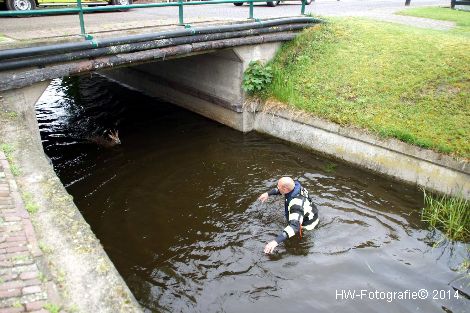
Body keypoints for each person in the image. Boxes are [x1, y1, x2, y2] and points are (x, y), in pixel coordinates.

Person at [258, 177, 319, 254]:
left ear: (285, 189)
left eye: (278, 187)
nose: (277, 188)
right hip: (312, 213)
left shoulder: (296, 204)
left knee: (295, 239)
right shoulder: (296, 185)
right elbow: (282, 190)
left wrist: (275, 241)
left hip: (308, 225)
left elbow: (295, 227)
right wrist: (268, 194)